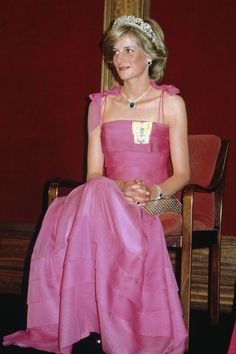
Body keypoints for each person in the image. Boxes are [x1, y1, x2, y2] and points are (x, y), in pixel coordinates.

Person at [3, 15, 189, 354]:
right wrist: (118, 189)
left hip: (158, 198)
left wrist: (152, 191)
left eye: (128, 50)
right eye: (115, 51)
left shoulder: (171, 103)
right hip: (108, 195)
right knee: (96, 192)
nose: (119, 59)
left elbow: (183, 174)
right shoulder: (99, 105)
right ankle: (101, 321)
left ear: (149, 55)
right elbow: (93, 175)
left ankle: (120, 326)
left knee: (94, 205)